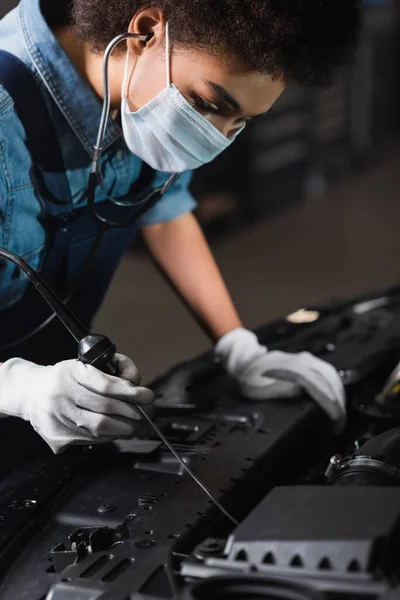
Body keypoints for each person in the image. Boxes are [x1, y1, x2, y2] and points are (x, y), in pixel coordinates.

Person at [0, 0, 360, 455]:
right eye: (209, 104)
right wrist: (18, 387)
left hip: (52, 407)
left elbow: (164, 207)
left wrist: (239, 347)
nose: (215, 136)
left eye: (241, 122)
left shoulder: (141, 86)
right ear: (148, 30)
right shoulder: (4, 116)